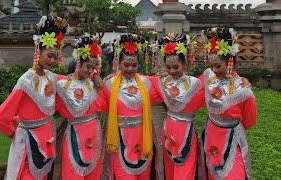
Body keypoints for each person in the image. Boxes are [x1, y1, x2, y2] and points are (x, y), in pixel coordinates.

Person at [0, 16, 69, 179]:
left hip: (48, 139)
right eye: (49, 55)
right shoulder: (25, 82)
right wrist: (16, 135)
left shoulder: (50, 77)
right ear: (38, 51)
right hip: (29, 143)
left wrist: (96, 74)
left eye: (55, 56)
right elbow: (0, 118)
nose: (52, 60)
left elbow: (71, 79)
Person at [96, 34, 160, 180]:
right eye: (126, 65)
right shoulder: (109, 84)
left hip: (144, 138)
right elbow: (94, 102)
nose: (130, 68)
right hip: (119, 139)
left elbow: (168, 87)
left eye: (134, 65)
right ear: (118, 63)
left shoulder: (147, 82)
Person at [199, 27, 257, 180]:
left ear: (230, 62)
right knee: (211, 172)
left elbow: (249, 120)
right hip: (211, 133)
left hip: (232, 137)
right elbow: (191, 90)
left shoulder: (243, 90)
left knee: (234, 174)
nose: (214, 70)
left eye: (218, 66)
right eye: (211, 65)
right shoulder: (208, 77)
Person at [150, 33, 205, 180]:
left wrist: (238, 78)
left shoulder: (195, 83)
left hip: (186, 129)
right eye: (168, 67)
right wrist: (116, 77)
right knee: (169, 168)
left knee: (185, 168)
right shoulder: (162, 81)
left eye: (176, 67)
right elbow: (140, 83)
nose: (172, 71)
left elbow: (215, 81)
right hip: (168, 128)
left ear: (184, 65)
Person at [56, 36, 104, 180]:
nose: (91, 71)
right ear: (79, 62)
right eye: (88, 67)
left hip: (94, 131)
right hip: (74, 133)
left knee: (94, 172)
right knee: (72, 172)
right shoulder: (63, 84)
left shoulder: (94, 85)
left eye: (94, 68)